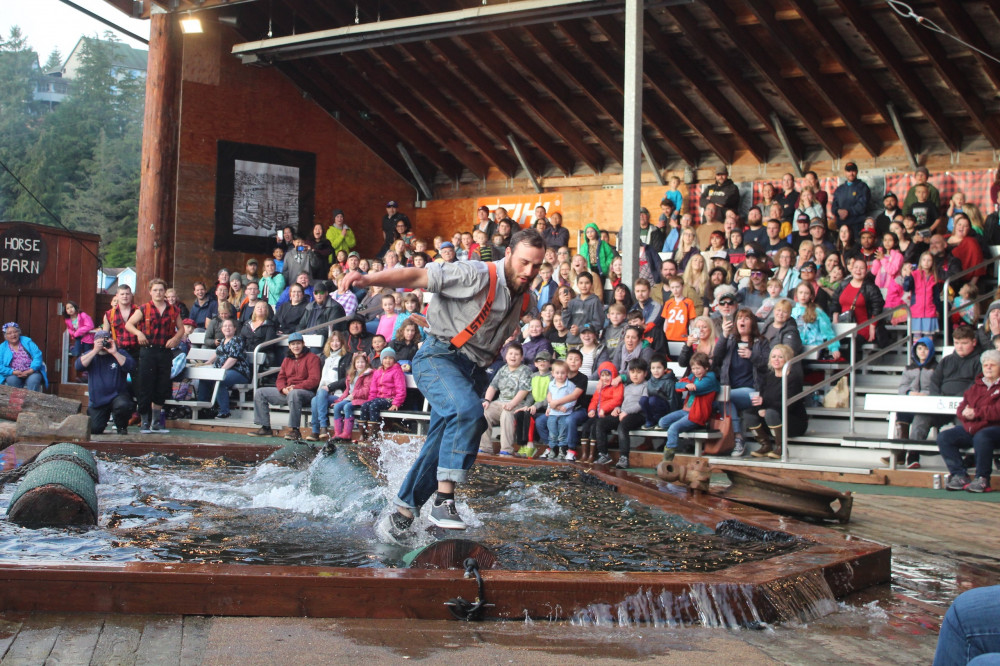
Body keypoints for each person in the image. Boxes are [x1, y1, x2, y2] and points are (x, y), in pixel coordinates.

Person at [339, 228, 544, 533]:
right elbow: (416, 277)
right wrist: (370, 280)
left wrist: (444, 319)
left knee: (438, 447)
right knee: (469, 414)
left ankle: (403, 514)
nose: (529, 271)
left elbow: (502, 325)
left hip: (472, 372)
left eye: (537, 266)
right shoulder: (475, 273)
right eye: (524, 262)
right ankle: (443, 501)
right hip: (439, 359)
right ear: (509, 254)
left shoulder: (528, 299)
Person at [125, 279, 184, 434]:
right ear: (150, 292)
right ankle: (144, 422)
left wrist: (176, 339)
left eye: (161, 290)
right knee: (146, 386)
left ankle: (156, 423)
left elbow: (181, 328)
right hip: (148, 350)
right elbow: (128, 324)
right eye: (155, 290)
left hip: (164, 351)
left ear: (165, 292)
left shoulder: (174, 310)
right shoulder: (143, 309)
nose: (158, 293)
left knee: (162, 386)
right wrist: (138, 333)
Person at [937, 349, 1000, 493]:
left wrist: (975, 413)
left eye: (993, 365)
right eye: (985, 365)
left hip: (995, 429)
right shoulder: (975, 387)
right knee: (945, 437)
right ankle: (959, 475)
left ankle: (983, 479)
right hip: (974, 427)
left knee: (982, 437)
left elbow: (997, 411)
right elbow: (961, 408)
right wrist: (965, 414)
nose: (988, 367)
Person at [713, 308, 771, 456]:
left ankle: (737, 437)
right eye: (739, 318)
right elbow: (717, 357)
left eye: (746, 318)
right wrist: (724, 335)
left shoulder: (761, 342)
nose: (742, 321)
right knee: (725, 398)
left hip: (753, 391)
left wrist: (752, 356)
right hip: (731, 391)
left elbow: (767, 365)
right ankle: (737, 438)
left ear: (752, 322)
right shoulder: (731, 340)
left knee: (724, 396)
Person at [910, 326, 982, 442]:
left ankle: (966, 458)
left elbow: (976, 384)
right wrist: (938, 398)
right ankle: (913, 456)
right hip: (941, 404)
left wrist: (959, 399)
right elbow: (935, 381)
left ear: (973, 342)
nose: (959, 347)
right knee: (921, 418)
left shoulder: (980, 361)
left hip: (965, 407)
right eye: (957, 343)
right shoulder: (946, 360)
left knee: (964, 425)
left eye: (964, 343)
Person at [250, 332, 322, 440]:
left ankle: (295, 430)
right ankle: (265, 428)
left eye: (298, 343)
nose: (296, 346)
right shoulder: (287, 359)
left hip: (306, 393)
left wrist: (295, 388)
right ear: (289, 346)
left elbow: (314, 380)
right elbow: (280, 378)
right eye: (293, 344)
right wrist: (282, 389)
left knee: (294, 394)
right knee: (260, 392)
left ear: (303, 344)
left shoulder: (312, 358)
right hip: (288, 392)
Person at [744, 344, 807, 459]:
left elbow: (788, 405)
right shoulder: (769, 376)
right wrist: (760, 408)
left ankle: (781, 447)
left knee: (771, 413)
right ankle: (765, 445)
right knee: (749, 413)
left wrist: (765, 406)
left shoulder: (793, 378)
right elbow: (762, 398)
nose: (776, 360)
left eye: (780, 357)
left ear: (787, 359)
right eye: (773, 357)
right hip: (772, 416)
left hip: (792, 420)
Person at [656, 352, 719, 462]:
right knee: (662, 422)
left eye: (698, 368)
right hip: (686, 410)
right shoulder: (693, 376)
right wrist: (686, 385)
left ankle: (667, 461)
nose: (695, 371)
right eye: (693, 368)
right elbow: (676, 385)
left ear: (706, 368)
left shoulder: (710, 378)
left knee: (673, 428)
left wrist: (687, 386)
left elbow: (696, 389)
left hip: (698, 414)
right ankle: (687, 430)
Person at [75, 330, 135, 434]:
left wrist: (114, 352)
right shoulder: (90, 355)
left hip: (117, 396)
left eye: (105, 341)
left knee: (123, 405)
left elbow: (131, 366)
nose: (103, 345)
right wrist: (94, 350)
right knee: (94, 429)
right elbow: (78, 366)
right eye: (99, 342)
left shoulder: (119, 353)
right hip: (98, 400)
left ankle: (121, 427)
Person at [479, 342, 534, 456]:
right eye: (511, 354)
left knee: (507, 413)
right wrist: (487, 401)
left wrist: (512, 404)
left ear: (522, 357)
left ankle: (506, 449)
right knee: (484, 411)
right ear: (506, 356)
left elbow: (524, 390)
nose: (513, 356)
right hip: (500, 402)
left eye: (516, 354)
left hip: (518, 404)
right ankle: (485, 447)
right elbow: (492, 386)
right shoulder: (503, 369)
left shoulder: (525, 370)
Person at [195, 319, 250, 419]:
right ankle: (202, 408)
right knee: (204, 379)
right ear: (222, 329)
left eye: (230, 326)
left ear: (234, 328)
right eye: (225, 326)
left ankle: (224, 411)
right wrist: (208, 363)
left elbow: (233, 358)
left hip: (239, 371)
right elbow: (217, 353)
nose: (227, 328)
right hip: (224, 371)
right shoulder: (222, 341)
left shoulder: (237, 340)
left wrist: (221, 371)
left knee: (220, 380)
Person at [357, 347, 407, 438]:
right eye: (385, 358)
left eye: (390, 358)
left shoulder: (397, 371)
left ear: (394, 360)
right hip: (378, 399)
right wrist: (370, 400)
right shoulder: (378, 372)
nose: (387, 361)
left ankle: (373, 434)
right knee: (365, 405)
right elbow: (373, 389)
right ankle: (363, 434)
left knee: (374, 405)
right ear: (381, 360)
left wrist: (396, 403)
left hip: (390, 399)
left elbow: (401, 389)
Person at [613, 358, 650, 470]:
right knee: (601, 423)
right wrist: (617, 408)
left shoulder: (646, 386)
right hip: (624, 413)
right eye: (633, 372)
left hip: (639, 415)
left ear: (645, 373)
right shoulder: (627, 387)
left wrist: (626, 412)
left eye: (639, 372)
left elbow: (641, 404)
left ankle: (624, 458)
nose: (635, 375)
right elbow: (623, 402)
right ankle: (602, 454)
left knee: (623, 426)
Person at [328, 353, 373, 443]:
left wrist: (354, 395)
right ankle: (338, 433)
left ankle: (347, 433)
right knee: (337, 407)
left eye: (362, 362)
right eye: (358, 362)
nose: (360, 364)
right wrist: (339, 400)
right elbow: (347, 391)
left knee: (347, 407)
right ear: (354, 364)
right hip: (351, 398)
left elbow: (366, 390)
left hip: (362, 399)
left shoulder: (368, 374)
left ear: (366, 363)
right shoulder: (351, 375)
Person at [542, 359, 575, 459]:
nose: (560, 375)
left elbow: (573, 399)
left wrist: (566, 406)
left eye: (562, 373)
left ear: (567, 374)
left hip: (564, 414)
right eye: (557, 373)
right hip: (553, 413)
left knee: (562, 433)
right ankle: (553, 449)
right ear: (552, 373)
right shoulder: (551, 384)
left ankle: (562, 450)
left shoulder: (570, 385)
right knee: (552, 433)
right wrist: (548, 408)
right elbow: (550, 397)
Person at [831, 162, 871, 238]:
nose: (851, 173)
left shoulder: (863, 187)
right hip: (841, 225)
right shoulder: (840, 189)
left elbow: (862, 205)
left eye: (853, 171)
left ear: (856, 172)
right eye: (848, 171)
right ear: (845, 173)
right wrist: (838, 211)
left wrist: (848, 212)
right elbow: (833, 206)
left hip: (857, 225)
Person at [102, 284, 139, 361]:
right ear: (117, 296)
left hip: (137, 351)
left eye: (127, 294)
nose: (125, 296)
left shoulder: (139, 311)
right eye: (122, 294)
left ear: (131, 295)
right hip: (118, 351)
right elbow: (105, 334)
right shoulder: (109, 314)